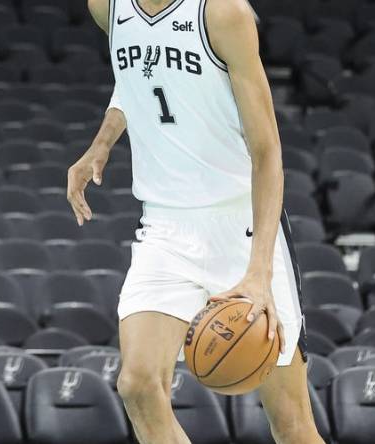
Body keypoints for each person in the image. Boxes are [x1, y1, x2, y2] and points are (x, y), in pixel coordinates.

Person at [68, 0, 324, 442]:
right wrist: (103, 141)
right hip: (165, 228)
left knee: (291, 424)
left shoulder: (225, 14)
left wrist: (258, 273)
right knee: (138, 385)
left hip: (241, 225)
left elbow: (267, 153)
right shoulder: (106, 7)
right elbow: (137, 77)